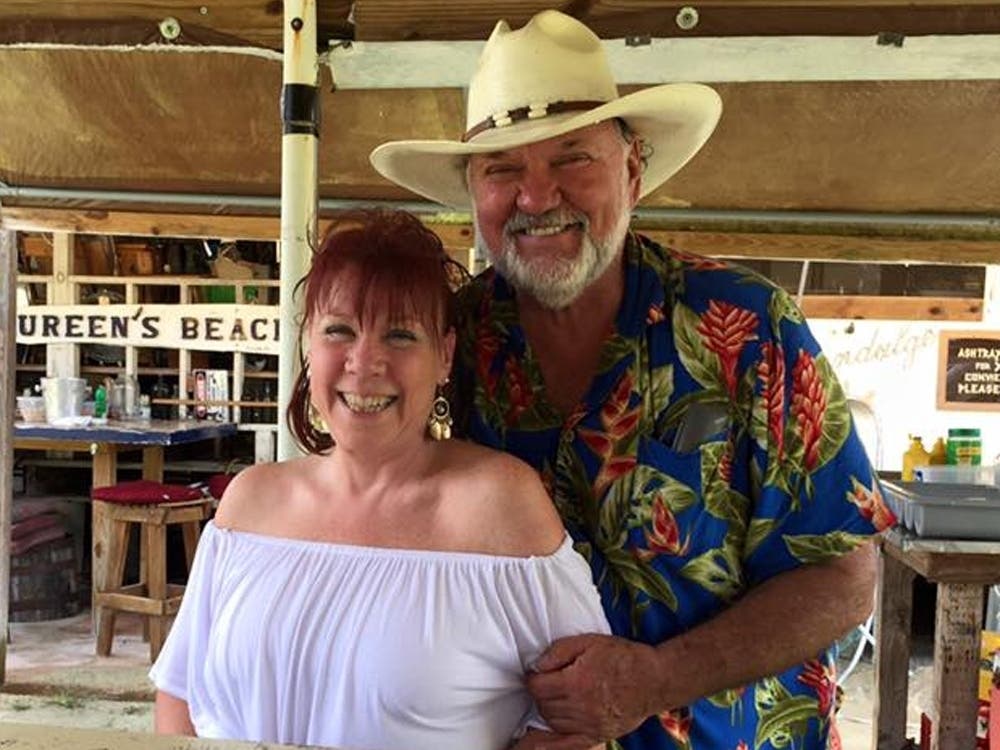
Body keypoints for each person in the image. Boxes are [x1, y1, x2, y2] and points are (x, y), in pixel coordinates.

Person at [370, 10, 897, 750]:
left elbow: (844, 576)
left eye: (573, 159)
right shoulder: (455, 338)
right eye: (503, 169)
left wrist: (655, 679)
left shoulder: (748, 325)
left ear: (633, 171)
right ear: (472, 194)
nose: (536, 196)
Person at [149, 208, 610, 750]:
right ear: (307, 344)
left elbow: (576, 720)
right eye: (339, 330)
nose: (364, 362)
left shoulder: (502, 507)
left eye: (399, 335)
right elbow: (178, 693)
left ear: (445, 356)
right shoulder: (249, 502)